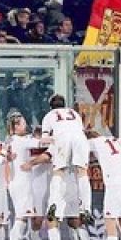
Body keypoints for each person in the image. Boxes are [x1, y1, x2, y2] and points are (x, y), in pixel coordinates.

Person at [21, 146, 98, 240]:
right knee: (75, 222)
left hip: (61, 185)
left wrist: (30, 163)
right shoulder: (78, 146)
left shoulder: (60, 142)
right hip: (75, 186)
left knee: (52, 219)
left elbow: (45, 156)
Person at [40, 94, 92, 225]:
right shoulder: (74, 113)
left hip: (62, 138)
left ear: (51, 106)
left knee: (58, 172)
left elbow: (45, 139)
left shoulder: (49, 115)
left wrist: (52, 142)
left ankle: (53, 204)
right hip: (80, 138)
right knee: (82, 172)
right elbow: (81, 130)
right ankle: (86, 208)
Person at [2, 113, 43, 240]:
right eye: (22, 123)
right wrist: (56, 139)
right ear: (15, 127)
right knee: (21, 217)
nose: (25, 125)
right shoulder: (20, 141)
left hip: (15, 182)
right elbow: (40, 144)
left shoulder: (11, 140)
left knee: (22, 217)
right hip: (22, 182)